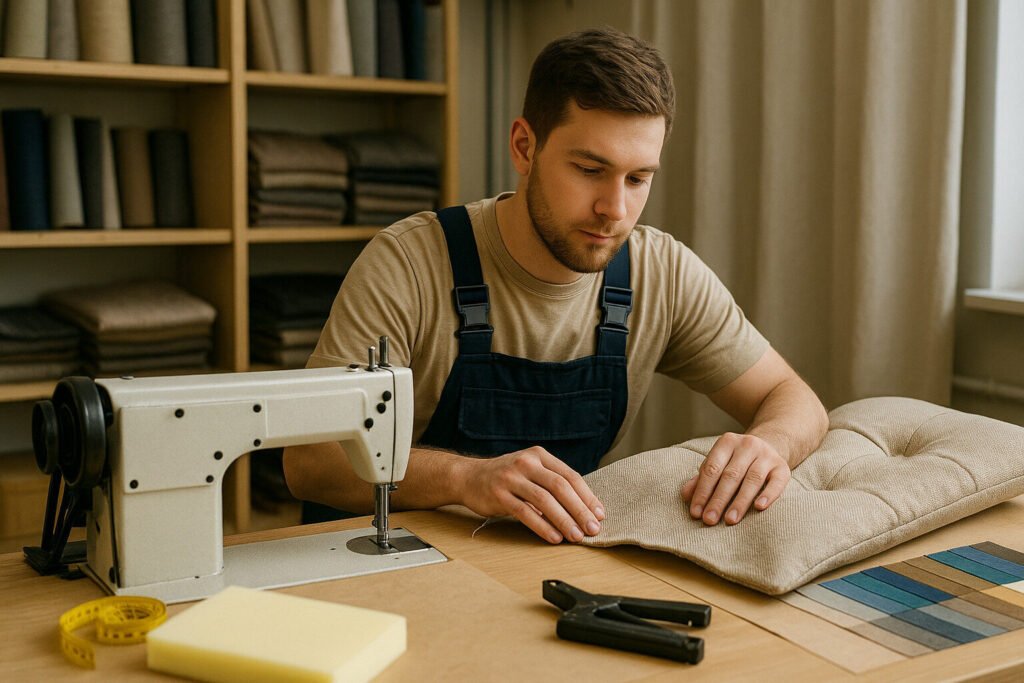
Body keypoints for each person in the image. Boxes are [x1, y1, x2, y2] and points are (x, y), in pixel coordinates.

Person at [283, 27, 828, 545]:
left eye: (638, 179)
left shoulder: (663, 274)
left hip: (541, 564)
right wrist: (462, 479)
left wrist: (767, 445)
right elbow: (312, 463)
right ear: (525, 147)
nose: (615, 210)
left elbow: (794, 400)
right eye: (590, 170)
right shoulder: (408, 263)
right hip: (391, 558)